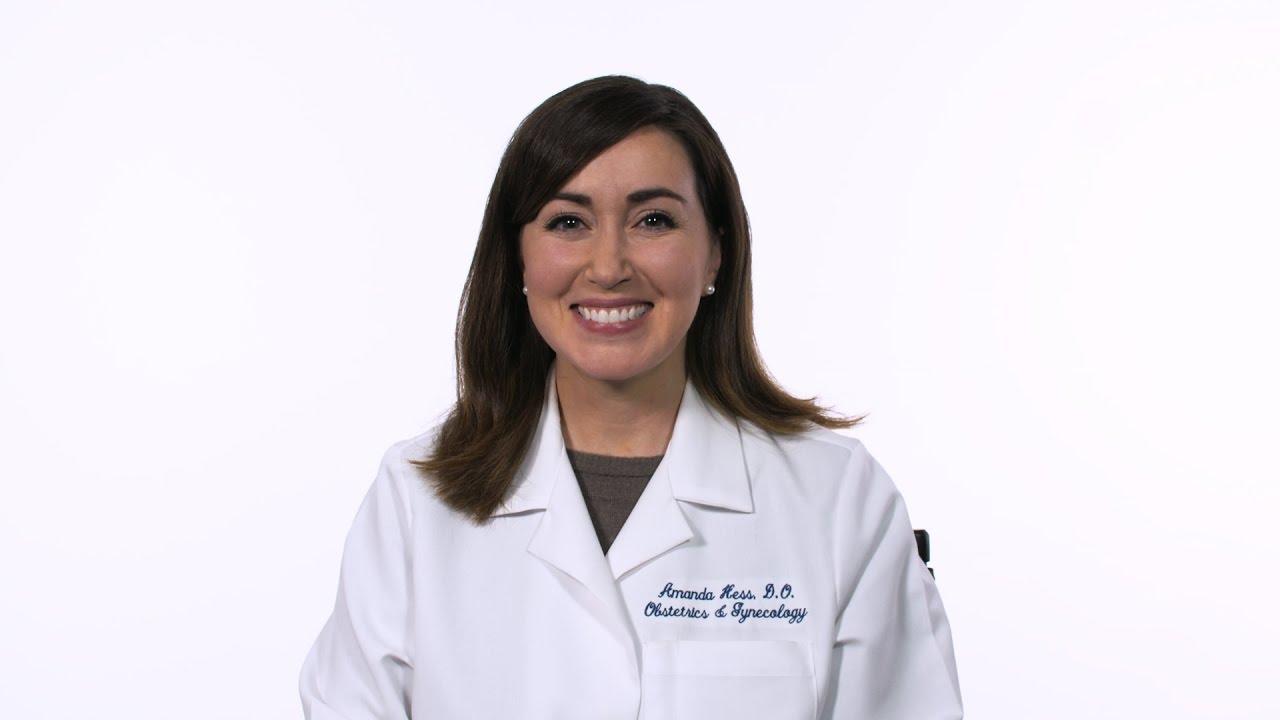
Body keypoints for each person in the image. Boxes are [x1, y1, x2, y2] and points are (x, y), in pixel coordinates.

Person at [299, 75, 963, 719]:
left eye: (653, 220)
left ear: (715, 254)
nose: (609, 267)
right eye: (568, 221)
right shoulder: (416, 500)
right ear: (518, 258)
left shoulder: (836, 500)